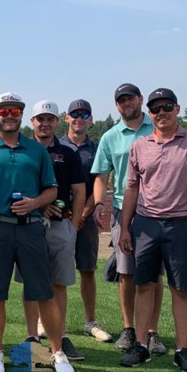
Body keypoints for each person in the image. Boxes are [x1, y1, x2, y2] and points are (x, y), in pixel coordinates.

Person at [0, 92, 75, 372]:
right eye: (4, 111)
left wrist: (35, 203)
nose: (9, 115)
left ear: (21, 116)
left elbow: (52, 190)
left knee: (44, 293)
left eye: (15, 111)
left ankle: (57, 352)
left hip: (31, 226)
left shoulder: (36, 150)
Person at [118, 88, 187, 372]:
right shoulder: (139, 145)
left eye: (167, 106)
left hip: (181, 224)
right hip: (145, 225)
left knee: (180, 289)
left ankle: (183, 350)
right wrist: (125, 226)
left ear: (177, 108)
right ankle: (141, 345)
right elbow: (132, 188)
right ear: (150, 113)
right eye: (156, 108)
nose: (162, 112)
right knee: (144, 285)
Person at [91, 83, 166, 355]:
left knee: (154, 274)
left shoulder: (158, 127)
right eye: (121, 100)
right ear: (117, 105)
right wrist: (100, 202)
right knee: (126, 272)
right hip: (123, 209)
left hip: (155, 210)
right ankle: (129, 328)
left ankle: (153, 331)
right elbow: (101, 176)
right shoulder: (110, 137)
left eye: (130, 98)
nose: (126, 103)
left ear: (140, 100)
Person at [17, 100, 87, 361]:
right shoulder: (23, 151)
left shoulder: (67, 153)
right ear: (32, 122)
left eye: (50, 119)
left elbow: (80, 190)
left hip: (61, 225)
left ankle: (59, 334)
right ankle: (32, 337)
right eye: (40, 119)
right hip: (30, 225)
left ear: (58, 121)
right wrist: (39, 205)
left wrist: (74, 223)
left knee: (59, 283)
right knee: (31, 282)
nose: (45, 123)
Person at [60, 98, 113, 343]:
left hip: (86, 218)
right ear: (66, 117)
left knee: (87, 270)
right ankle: (47, 319)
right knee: (53, 271)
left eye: (84, 114)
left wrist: (83, 212)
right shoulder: (55, 145)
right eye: (75, 114)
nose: (79, 118)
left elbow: (98, 184)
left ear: (90, 119)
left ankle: (90, 321)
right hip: (59, 216)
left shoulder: (97, 148)